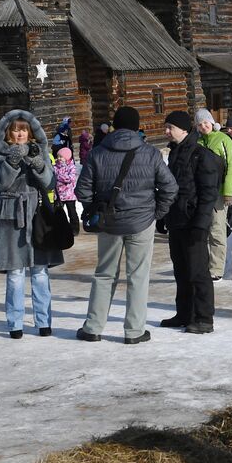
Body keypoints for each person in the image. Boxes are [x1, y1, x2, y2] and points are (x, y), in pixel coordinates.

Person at [74, 106, 177, 344]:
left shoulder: (98, 152)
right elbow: (170, 187)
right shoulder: (150, 153)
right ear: (136, 126)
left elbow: (82, 190)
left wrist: (96, 209)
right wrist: (156, 213)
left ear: (114, 126)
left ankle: (93, 327)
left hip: (109, 222)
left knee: (104, 274)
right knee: (138, 276)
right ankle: (134, 331)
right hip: (141, 222)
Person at [0, 111, 63, 339]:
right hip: (12, 219)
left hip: (38, 217)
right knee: (15, 274)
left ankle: (43, 322)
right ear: (8, 134)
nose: (20, 133)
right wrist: (12, 160)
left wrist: (39, 164)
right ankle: (15, 323)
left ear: (30, 132)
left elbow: (50, 183)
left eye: (24, 129)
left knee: (40, 273)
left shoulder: (40, 151)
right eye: (15, 129)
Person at [161, 110, 224, 334]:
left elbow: (208, 193)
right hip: (177, 220)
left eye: (170, 127)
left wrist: (200, 224)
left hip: (193, 222)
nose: (166, 131)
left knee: (198, 272)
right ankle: (184, 313)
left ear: (184, 129)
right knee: (181, 270)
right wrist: (164, 215)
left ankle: (204, 318)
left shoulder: (200, 155)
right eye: (166, 127)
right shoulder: (175, 153)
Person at [193, 110, 232, 279]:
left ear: (212, 123)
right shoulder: (197, 142)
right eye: (199, 123)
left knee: (217, 230)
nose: (203, 126)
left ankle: (216, 270)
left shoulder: (223, 139)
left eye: (206, 122)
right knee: (201, 230)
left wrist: (228, 192)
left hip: (218, 193)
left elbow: (231, 167)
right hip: (201, 193)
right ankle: (203, 266)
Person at [54, 147, 79, 237]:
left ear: (67, 157)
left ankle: (74, 229)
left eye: (61, 157)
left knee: (72, 212)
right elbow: (53, 177)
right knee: (58, 213)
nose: (59, 158)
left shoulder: (71, 167)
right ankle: (59, 229)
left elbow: (70, 179)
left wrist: (59, 177)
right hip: (58, 195)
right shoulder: (55, 166)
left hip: (69, 195)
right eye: (58, 156)